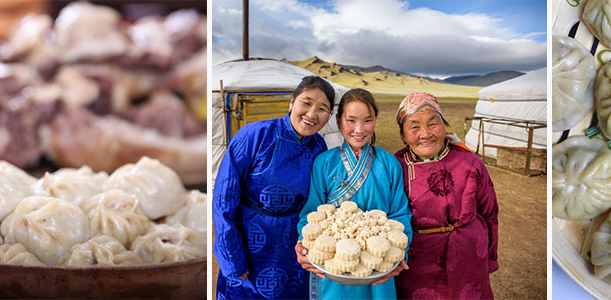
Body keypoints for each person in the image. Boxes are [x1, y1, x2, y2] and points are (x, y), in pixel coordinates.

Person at [213, 75, 336, 299]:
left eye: (322, 108)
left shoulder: (319, 146)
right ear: (292, 102)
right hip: (252, 244)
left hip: (294, 248)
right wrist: (232, 259)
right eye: (306, 103)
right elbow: (224, 198)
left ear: (329, 115)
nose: (311, 114)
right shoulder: (254, 135)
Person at [295, 88, 413, 299]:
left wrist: (399, 253)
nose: (359, 129)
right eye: (351, 120)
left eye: (368, 121)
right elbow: (311, 213)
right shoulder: (324, 163)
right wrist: (304, 244)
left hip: (379, 265)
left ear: (376, 120)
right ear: (339, 121)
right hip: (332, 266)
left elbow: (399, 215)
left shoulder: (390, 165)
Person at [392, 92, 499, 300]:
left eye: (433, 123)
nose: (425, 133)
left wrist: (490, 256)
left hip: (469, 256)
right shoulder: (396, 167)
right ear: (403, 136)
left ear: (444, 125)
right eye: (414, 126)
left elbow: (490, 212)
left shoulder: (469, 162)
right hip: (417, 261)